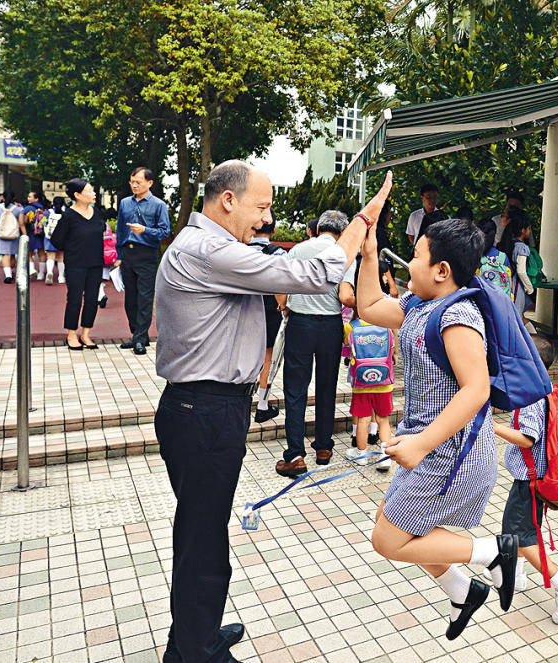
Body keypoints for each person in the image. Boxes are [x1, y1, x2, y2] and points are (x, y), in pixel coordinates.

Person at [153, 159, 392, 663]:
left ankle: (197, 635)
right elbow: (310, 272)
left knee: (204, 533)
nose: (266, 217)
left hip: (210, 408)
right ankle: (194, 652)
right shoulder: (208, 250)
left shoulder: (217, 248)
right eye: (261, 206)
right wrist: (362, 221)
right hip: (204, 411)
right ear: (228, 200)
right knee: (201, 540)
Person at [357, 218, 519, 641]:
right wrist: (369, 252)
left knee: (388, 540)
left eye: (416, 256)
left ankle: (493, 553)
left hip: (451, 451)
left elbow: (477, 389)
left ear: (441, 270)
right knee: (394, 525)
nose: (409, 263)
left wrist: (423, 443)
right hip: (428, 446)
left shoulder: (458, 316)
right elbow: (369, 306)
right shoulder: (419, 305)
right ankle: (462, 589)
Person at [491, 334, 558, 623]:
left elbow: (527, 437)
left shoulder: (530, 395)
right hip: (535, 477)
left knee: (520, 537)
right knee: (519, 530)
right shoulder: (542, 388)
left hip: (529, 481)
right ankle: (518, 576)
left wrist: (493, 427)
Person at [275, 210, 358, 476]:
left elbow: (281, 285)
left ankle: (295, 455)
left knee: (296, 389)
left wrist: (284, 305)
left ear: (317, 228)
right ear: (342, 232)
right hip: (330, 327)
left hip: (300, 324)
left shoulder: (298, 250)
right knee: (326, 387)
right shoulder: (345, 254)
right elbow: (345, 296)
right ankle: (323, 447)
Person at [343, 265, 395, 472]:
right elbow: (392, 350)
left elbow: (347, 349)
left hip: (361, 383)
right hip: (384, 382)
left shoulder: (352, 326)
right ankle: (384, 457)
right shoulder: (387, 323)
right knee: (383, 419)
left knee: (363, 419)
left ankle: (361, 454)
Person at [116, 167, 171, 356]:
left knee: (145, 297)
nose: (134, 185)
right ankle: (138, 334)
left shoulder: (158, 205)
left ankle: (139, 338)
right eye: (132, 182)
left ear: (150, 183)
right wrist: (119, 255)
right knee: (130, 298)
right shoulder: (124, 203)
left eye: (138, 182)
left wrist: (145, 231)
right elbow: (121, 231)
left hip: (147, 254)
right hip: (128, 253)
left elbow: (165, 232)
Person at [50, 179, 107, 350]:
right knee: (74, 299)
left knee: (91, 300)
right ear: (77, 195)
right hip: (76, 264)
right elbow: (57, 240)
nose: (94, 193)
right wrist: (74, 247)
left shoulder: (96, 212)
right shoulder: (69, 216)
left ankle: (86, 334)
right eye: (89, 191)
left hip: (96, 263)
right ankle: (71, 334)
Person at [247, 214, 288, 423]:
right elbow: (281, 285)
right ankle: (262, 405)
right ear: (273, 231)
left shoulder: (238, 250)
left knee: (242, 355)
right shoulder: (278, 254)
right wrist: (283, 306)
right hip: (269, 310)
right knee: (267, 357)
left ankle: (242, 402)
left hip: (242, 310)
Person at [498, 209, 536, 329]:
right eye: (528, 228)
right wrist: (530, 288)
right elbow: (521, 270)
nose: (529, 231)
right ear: (522, 230)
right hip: (516, 285)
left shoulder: (507, 244)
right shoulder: (522, 248)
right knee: (517, 314)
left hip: (505, 282)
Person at [0, 191, 23, 283]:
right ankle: (12, 271)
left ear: (3, 197)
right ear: (14, 198)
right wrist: (25, 235)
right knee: (13, 254)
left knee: (5, 255)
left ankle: (8, 275)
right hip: (14, 234)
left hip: (1, 234)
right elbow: (21, 224)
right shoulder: (19, 208)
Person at [19, 191, 48, 280]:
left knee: (29, 253)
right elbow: (45, 221)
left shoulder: (27, 208)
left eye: (30, 197)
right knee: (42, 253)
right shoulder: (44, 208)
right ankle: (41, 274)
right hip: (42, 233)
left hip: (30, 233)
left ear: (36, 199)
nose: (28, 198)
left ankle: (31, 269)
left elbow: (22, 222)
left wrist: (24, 235)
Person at [44, 197, 66, 285]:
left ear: (53, 203)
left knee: (50, 257)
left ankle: (50, 272)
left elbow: (44, 223)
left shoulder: (48, 212)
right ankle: (61, 277)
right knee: (61, 258)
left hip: (50, 237)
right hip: (62, 238)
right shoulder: (66, 213)